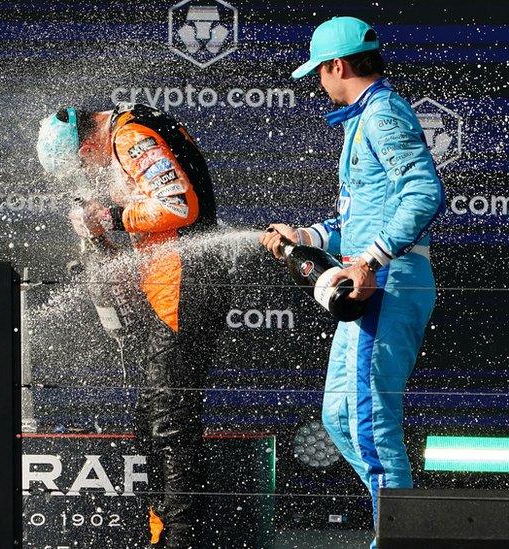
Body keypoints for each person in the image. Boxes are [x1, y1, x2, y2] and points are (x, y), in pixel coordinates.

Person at [260, 16, 444, 544]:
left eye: (319, 71)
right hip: (372, 280)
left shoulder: (384, 114)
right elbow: (360, 219)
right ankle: (399, 531)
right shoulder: (365, 119)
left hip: (385, 283)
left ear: (337, 66)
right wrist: (306, 237)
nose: (318, 81)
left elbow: (423, 194)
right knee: (341, 417)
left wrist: (370, 261)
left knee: (365, 417)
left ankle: (401, 540)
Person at [37, 103, 227, 547]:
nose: (90, 170)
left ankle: (180, 539)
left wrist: (113, 217)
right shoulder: (131, 128)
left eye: (84, 163)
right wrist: (102, 228)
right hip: (168, 286)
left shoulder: (130, 136)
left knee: (169, 421)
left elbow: (179, 206)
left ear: (87, 145)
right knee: (153, 419)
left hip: (183, 284)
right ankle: (163, 532)